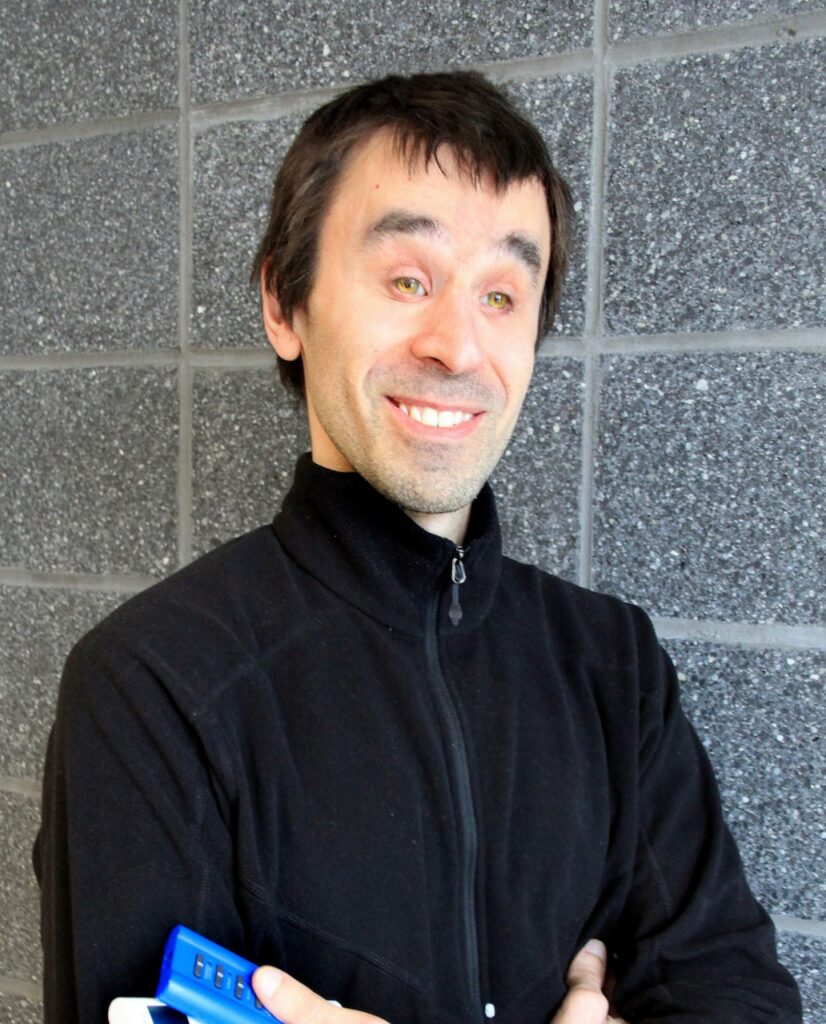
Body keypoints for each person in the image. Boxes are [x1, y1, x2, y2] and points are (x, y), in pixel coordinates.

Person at [35, 71, 800, 1024]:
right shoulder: (154, 685)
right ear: (286, 305)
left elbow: (737, 993)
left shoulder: (614, 667)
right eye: (409, 279)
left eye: (503, 295)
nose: (458, 346)